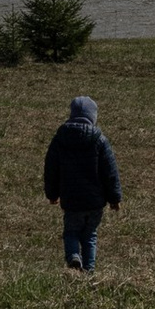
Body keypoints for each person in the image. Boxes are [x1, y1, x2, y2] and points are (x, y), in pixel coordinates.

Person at [42, 90, 122, 273]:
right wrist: (114, 198)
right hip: (95, 201)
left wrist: (52, 194)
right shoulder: (99, 140)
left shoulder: (60, 139)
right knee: (90, 235)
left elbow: (51, 168)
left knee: (71, 232)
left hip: (71, 200)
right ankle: (90, 269)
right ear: (93, 117)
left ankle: (73, 257)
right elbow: (110, 171)